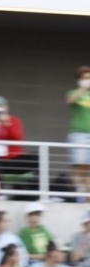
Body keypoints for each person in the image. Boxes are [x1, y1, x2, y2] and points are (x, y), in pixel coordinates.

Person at [68, 66, 90, 196]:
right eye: (84, 78)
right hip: (78, 134)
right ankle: (78, 195)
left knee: (89, 168)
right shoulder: (73, 92)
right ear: (78, 80)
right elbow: (70, 101)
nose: (87, 80)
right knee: (79, 165)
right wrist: (83, 88)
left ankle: (88, 198)